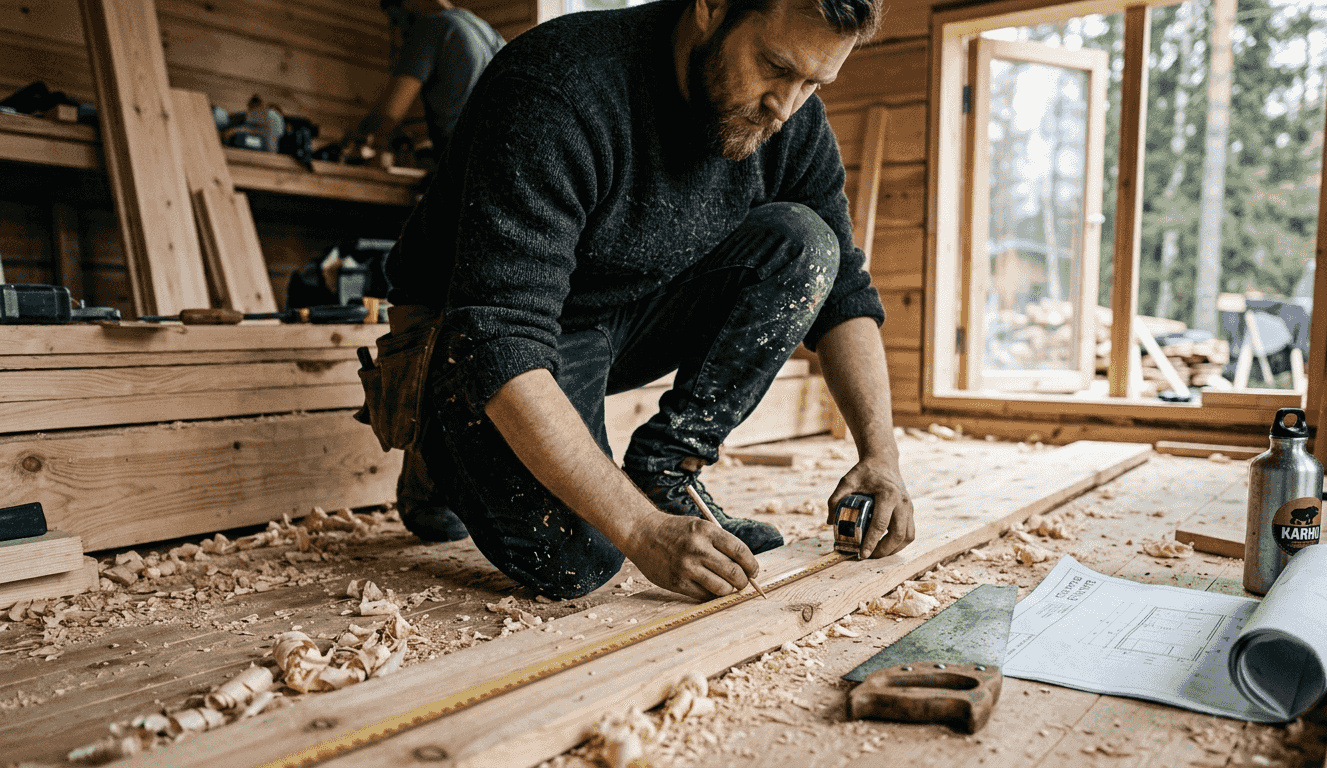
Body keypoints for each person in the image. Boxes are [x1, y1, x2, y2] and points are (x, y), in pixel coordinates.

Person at [369, 0, 916, 601]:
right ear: (709, 8)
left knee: (805, 243)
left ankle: (664, 473)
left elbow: (845, 297)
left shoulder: (791, 122)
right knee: (579, 558)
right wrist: (640, 530)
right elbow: (501, 339)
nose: (785, 107)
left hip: (614, 307)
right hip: (476, 336)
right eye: (774, 67)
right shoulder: (557, 86)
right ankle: (436, 440)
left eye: (814, 82)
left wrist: (880, 455)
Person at [347, 0, 503, 542]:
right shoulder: (486, 32)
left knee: (424, 335)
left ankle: (428, 500)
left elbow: (389, 111)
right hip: (507, 196)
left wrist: (363, 141)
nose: (395, 27)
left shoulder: (433, 29)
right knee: (478, 336)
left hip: (460, 193)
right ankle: (454, 497)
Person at [344, 0, 505, 164]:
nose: (399, 31)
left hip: (461, 161)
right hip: (497, 157)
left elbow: (389, 114)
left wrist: (354, 138)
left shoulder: (430, 26)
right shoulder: (486, 31)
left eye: (396, 20)